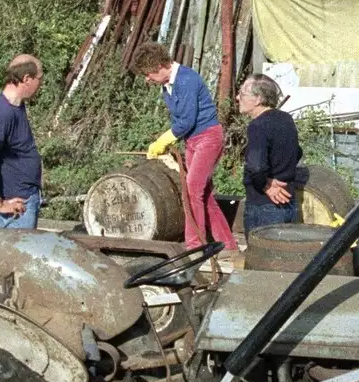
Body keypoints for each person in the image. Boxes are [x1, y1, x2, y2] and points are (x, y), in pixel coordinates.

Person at [130, 43, 237, 252]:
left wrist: (165, 139)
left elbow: (187, 120)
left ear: (160, 65)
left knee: (191, 191)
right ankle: (229, 246)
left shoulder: (187, 79)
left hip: (208, 137)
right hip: (192, 140)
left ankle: (195, 246)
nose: (147, 79)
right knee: (203, 195)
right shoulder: (167, 85)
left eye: (148, 74)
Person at [0, 54, 44, 229]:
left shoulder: (16, 105)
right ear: (27, 79)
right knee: (18, 256)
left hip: (24, 200)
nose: (40, 84)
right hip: (17, 208)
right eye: (39, 79)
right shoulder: (3, 113)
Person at [237, 73, 308, 235]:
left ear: (258, 99)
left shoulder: (257, 125)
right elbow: (297, 152)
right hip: (289, 204)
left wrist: (266, 186)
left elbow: (256, 166)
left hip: (264, 207)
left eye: (242, 94)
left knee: (261, 258)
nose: (237, 97)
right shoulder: (286, 119)